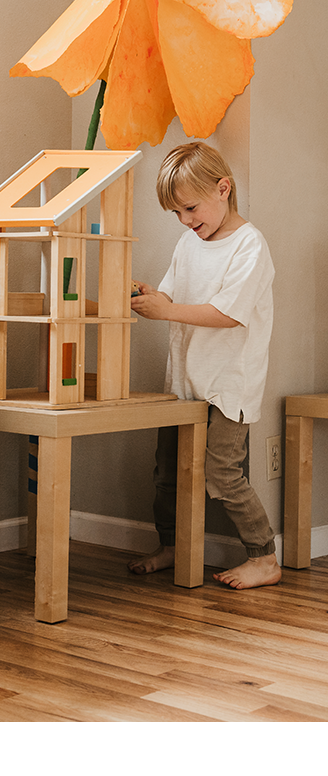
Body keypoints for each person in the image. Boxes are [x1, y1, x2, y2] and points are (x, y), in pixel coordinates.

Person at [128, 142, 281, 590]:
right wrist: (148, 297)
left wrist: (166, 311)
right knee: (167, 471)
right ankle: (173, 546)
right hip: (185, 379)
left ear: (223, 189)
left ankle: (264, 556)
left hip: (229, 381)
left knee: (222, 472)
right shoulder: (187, 243)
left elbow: (226, 313)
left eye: (190, 208)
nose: (185, 221)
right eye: (176, 213)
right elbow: (174, 298)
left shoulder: (249, 245)